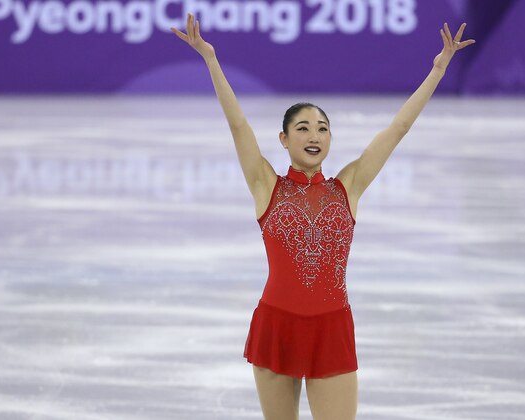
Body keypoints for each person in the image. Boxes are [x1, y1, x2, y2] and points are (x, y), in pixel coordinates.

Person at [171, 14, 475, 420]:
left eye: (322, 128)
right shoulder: (266, 186)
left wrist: (437, 70)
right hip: (277, 325)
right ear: (284, 139)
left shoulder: (348, 185)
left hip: (331, 327)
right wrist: (211, 59)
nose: (314, 136)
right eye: (303, 128)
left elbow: (398, 127)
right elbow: (238, 125)